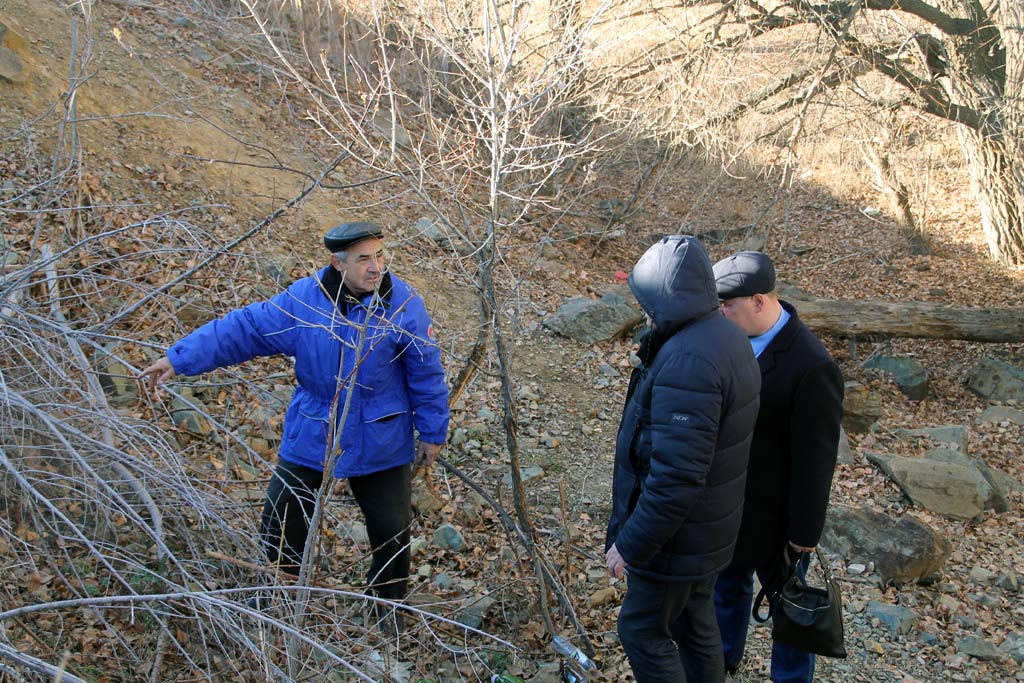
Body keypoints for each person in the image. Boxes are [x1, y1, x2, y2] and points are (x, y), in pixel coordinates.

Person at [141, 221, 450, 606]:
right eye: (364, 259)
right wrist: (178, 358)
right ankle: (277, 593)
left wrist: (433, 431)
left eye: (379, 257)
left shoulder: (402, 303)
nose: (376, 268)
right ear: (338, 263)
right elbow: (246, 329)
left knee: (391, 530)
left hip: (381, 433)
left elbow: (426, 371)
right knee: (282, 515)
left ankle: (387, 610)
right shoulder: (306, 300)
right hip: (314, 427)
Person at [605, 235, 761, 683]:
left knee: (641, 631)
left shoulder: (690, 359)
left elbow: (676, 478)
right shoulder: (727, 335)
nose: (645, 311)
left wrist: (630, 544)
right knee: (694, 624)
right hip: (708, 532)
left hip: (677, 540)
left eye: (648, 300)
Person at [711, 251, 845, 683]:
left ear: (758, 301)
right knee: (725, 593)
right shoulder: (729, 339)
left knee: (790, 617)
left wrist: (804, 534)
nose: (721, 314)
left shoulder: (813, 365)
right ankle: (722, 664)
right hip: (730, 509)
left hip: (779, 524)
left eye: (727, 307)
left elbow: (816, 459)